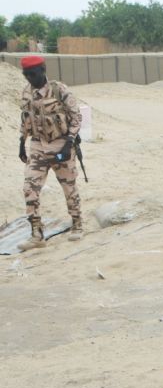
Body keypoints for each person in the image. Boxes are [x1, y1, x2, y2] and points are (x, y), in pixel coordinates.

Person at [16, 56, 84, 250]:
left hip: (61, 144)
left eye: (33, 74)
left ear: (43, 70)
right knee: (30, 189)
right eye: (26, 74)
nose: (30, 78)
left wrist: (69, 141)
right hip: (38, 147)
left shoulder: (59, 90)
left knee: (69, 187)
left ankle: (77, 223)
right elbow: (25, 119)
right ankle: (36, 234)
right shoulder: (26, 92)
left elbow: (76, 117)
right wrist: (22, 142)